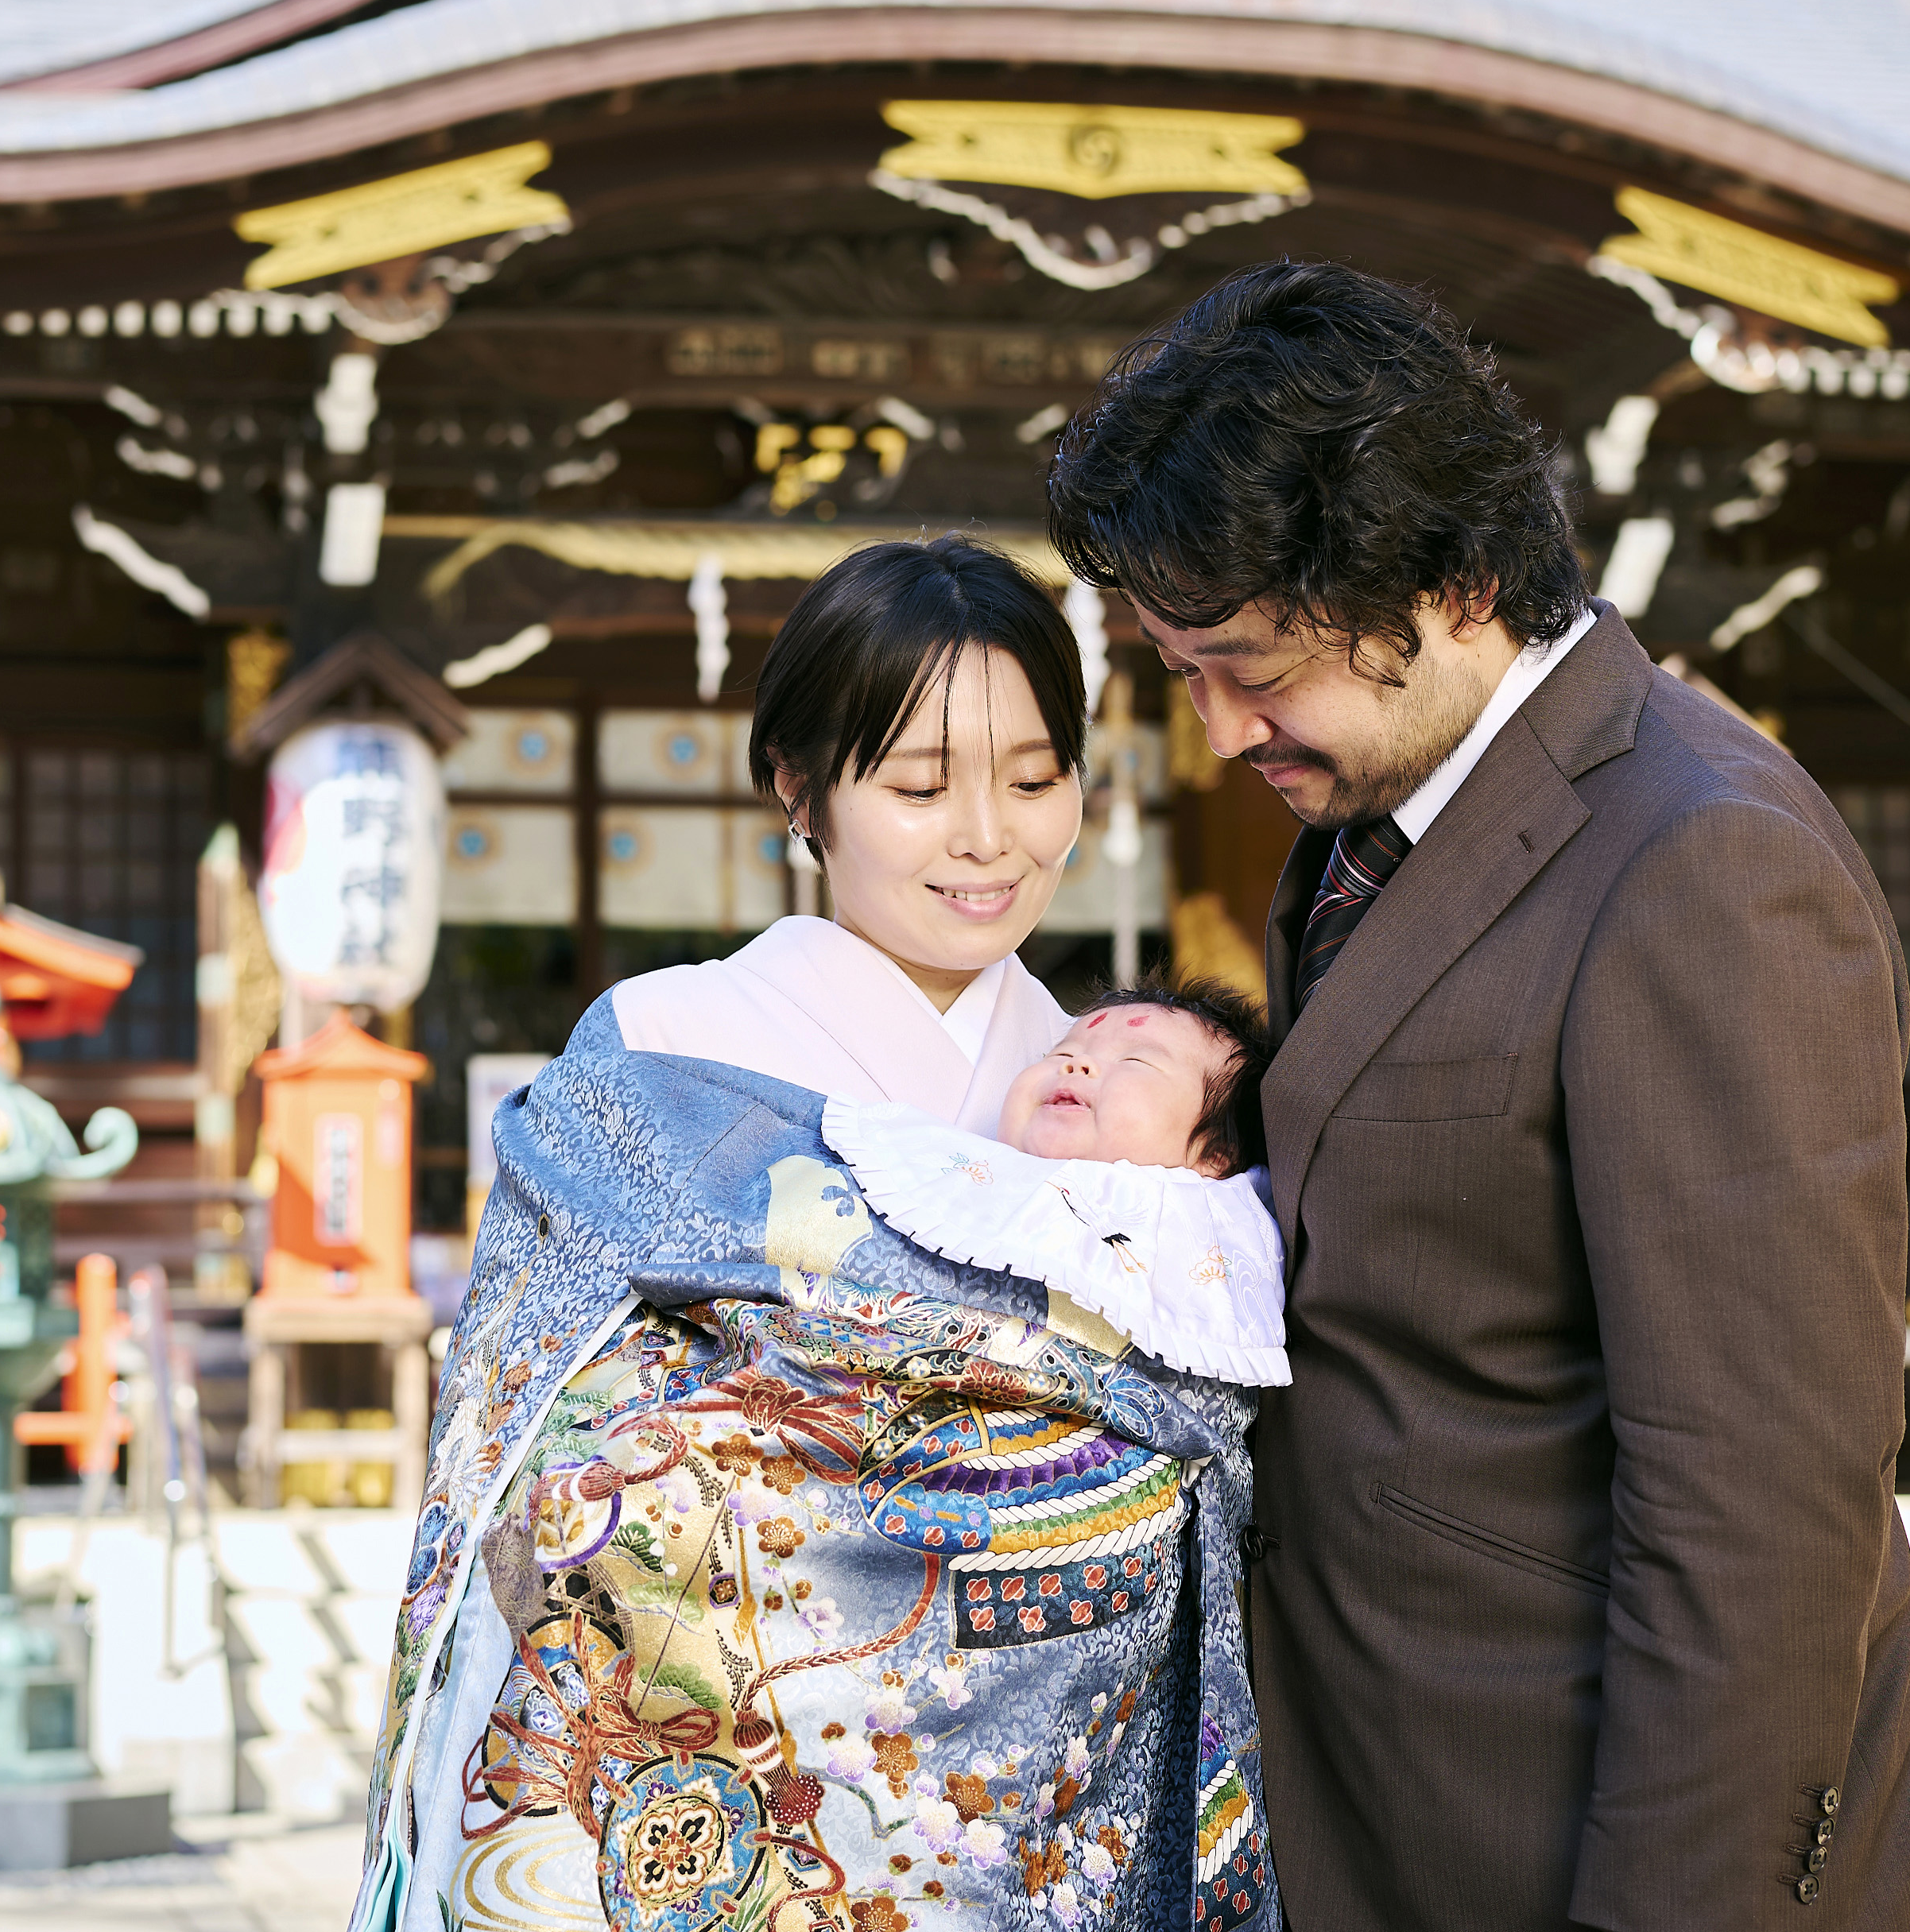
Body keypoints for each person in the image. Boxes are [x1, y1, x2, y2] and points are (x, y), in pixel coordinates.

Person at [1045, 260, 1910, 1930]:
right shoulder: (1374, 816)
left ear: (1462, 575)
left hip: (1609, 1845)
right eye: (1180, 671)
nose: (1217, 732)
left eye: (1253, 664)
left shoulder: (1706, 862)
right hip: (1408, 1810)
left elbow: (1762, 1510)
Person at [351, 538, 1284, 1932]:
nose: (989, 837)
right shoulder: (658, 1056)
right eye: (918, 787)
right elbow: (527, 1441)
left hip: (1027, 1844)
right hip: (699, 1816)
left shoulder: (1127, 1116)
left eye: (1034, 780)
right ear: (801, 790)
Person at [830, 978, 1289, 1384]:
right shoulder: (956, 1169)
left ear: (1215, 1155)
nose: (1076, 1066)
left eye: (1136, 1061)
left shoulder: (1216, 1224)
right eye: (1063, 1054)